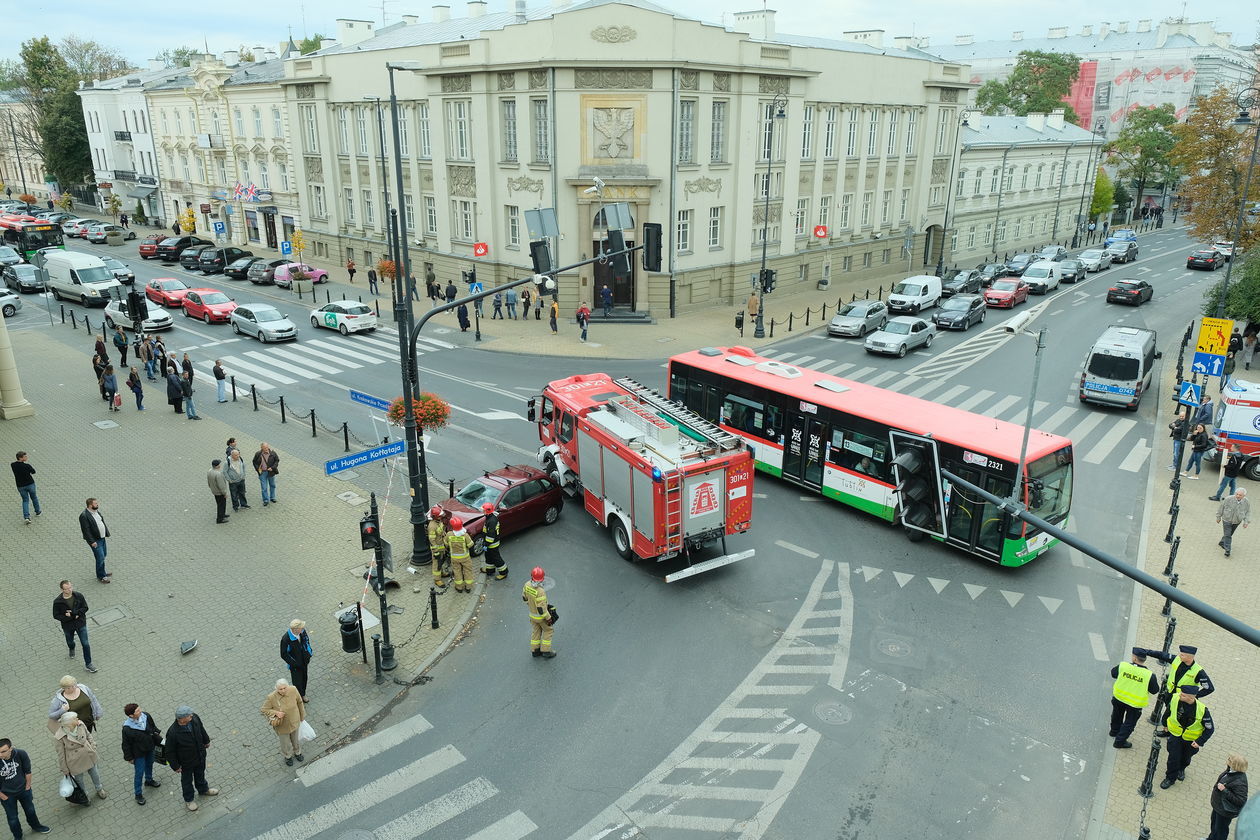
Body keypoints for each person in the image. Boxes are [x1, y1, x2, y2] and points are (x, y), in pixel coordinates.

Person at [164, 706, 218, 811]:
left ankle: (203, 789)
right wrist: (175, 766)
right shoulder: (173, 733)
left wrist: (206, 741)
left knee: (200, 774)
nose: (192, 716)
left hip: (200, 755)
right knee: (187, 781)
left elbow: (201, 729)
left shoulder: (195, 719)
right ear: (182, 719)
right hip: (186, 762)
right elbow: (169, 751)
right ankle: (189, 800)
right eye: (189, 715)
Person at [1161, 685, 1214, 789]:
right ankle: (1170, 778)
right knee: (1173, 758)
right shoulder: (1176, 698)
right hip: (1176, 735)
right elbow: (1168, 712)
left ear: (1191, 698)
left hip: (1191, 740)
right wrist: (1165, 724)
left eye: (1183, 695)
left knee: (1186, 758)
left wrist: (1199, 741)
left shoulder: (1202, 710)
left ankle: (1182, 768)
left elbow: (1210, 729)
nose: (1180, 695)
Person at [1109, 648, 1160, 748]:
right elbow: (1155, 690)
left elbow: (1113, 673)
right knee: (1129, 723)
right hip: (1135, 703)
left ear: (1134, 658)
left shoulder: (1123, 666)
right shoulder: (1149, 675)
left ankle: (1114, 732)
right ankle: (1119, 742)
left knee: (1117, 715)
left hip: (1119, 698)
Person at [0, 739, 53, 835]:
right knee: (12, 818)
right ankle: (18, 836)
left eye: (3, 751)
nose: (0, 754)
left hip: (23, 790)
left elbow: (27, 771)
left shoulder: (20, 754)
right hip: (7, 795)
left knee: (30, 810)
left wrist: (27, 786)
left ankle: (36, 826)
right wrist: (3, 796)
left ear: (10, 749)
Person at [1157, 645, 1214, 731]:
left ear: (1189, 657)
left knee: (1177, 715)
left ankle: (1171, 732)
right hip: (1171, 693)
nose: (1180, 655)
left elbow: (1209, 688)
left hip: (1182, 699)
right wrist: (1146, 652)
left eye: (1182, 655)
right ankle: (1167, 729)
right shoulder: (1177, 660)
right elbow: (1161, 655)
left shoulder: (1198, 671)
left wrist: (1194, 695)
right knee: (1170, 712)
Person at [51, 712, 105, 802]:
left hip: (88, 754)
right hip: (74, 761)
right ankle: (85, 795)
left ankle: (99, 789)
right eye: (75, 718)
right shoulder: (59, 737)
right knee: (79, 780)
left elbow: (88, 735)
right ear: (70, 723)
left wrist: (93, 746)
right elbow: (61, 755)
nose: (77, 719)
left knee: (95, 773)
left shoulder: (80, 724)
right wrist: (65, 769)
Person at [120, 703, 163, 805]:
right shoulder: (127, 728)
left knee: (150, 763)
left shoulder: (146, 716)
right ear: (131, 715)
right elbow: (125, 744)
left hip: (150, 747)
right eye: (137, 711)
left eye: (139, 709)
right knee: (139, 773)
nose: (140, 711)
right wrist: (129, 758)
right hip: (138, 753)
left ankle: (149, 780)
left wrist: (157, 733)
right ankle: (138, 794)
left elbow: (152, 726)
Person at [260, 678, 307, 766]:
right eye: (280, 689)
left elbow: (300, 702)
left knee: (295, 739)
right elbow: (263, 709)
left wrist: (302, 715)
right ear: (276, 689)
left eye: (285, 688)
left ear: (288, 686)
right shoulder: (271, 697)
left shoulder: (293, 689)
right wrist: (276, 713)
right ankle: (288, 756)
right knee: (285, 743)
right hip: (282, 725)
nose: (283, 690)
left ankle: (297, 752)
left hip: (294, 721)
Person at [53, 581, 96, 673]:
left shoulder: (78, 596)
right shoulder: (58, 602)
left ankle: (88, 664)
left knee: (85, 644)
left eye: (70, 587)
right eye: (67, 589)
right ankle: (71, 648)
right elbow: (56, 615)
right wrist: (67, 617)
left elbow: (85, 608)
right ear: (62, 589)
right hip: (68, 626)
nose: (70, 590)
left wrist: (76, 614)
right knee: (70, 641)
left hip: (80, 623)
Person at [1206, 754, 1249, 840]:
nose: (1228, 760)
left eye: (1230, 760)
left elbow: (1241, 801)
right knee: (1214, 825)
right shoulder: (1231, 771)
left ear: (1235, 765)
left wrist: (1224, 790)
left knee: (1221, 831)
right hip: (1219, 806)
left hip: (1225, 811)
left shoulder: (1240, 782)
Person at [523, 566, 555, 658]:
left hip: (532, 615)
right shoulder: (540, 591)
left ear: (531, 576)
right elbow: (542, 609)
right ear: (542, 578)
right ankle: (546, 651)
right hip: (541, 617)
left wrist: (531, 605)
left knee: (536, 631)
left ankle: (535, 651)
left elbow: (524, 598)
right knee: (548, 630)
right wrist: (549, 618)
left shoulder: (527, 585)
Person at [78, 497, 111, 583]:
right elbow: (86, 531)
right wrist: (92, 541)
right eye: (95, 504)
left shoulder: (96, 512)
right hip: (95, 541)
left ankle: (102, 572)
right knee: (100, 557)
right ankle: (101, 576)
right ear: (90, 505)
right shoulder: (84, 516)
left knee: (103, 555)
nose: (97, 505)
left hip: (102, 538)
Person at [279, 620, 312, 702]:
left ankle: (303, 694)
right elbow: (284, 654)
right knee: (297, 682)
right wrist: (294, 663)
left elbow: (307, 641)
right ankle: (298, 697)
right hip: (295, 666)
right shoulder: (286, 639)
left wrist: (309, 652)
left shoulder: (302, 632)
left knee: (304, 678)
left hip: (304, 661)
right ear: (295, 629)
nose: (303, 629)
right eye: (301, 628)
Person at [1217, 487, 1250, 557]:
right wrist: (1218, 517)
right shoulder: (1228, 499)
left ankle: (1222, 542)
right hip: (1226, 520)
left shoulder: (1246, 502)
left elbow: (1247, 512)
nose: (1238, 496)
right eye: (1237, 494)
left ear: (1244, 496)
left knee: (1229, 534)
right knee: (1228, 535)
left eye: (1240, 495)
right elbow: (1221, 507)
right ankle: (1227, 550)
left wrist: (1246, 522)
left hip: (1237, 521)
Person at [479, 502, 507, 580]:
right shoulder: (490, 517)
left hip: (492, 544)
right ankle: (490, 570)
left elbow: (491, 536)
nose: (482, 512)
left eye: (483, 510)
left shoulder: (492, 521)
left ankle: (504, 572)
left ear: (487, 511)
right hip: (489, 544)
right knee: (488, 557)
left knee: (496, 558)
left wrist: (486, 544)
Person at [424, 505, 449, 591]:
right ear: (435, 517)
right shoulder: (432, 526)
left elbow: (442, 532)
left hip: (442, 547)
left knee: (441, 561)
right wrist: (436, 552)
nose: (441, 516)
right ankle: (437, 579)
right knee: (436, 564)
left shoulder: (439, 522)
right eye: (439, 515)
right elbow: (432, 540)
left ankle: (441, 573)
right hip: (437, 549)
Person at [11, 451, 40, 524]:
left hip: (20, 486)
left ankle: (26, 517)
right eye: (25, 456)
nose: (26, 457)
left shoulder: (13, 465)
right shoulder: (27, 466)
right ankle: (37, 511)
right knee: (34, 497)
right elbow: (33, 472)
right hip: (30, 484)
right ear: (21, 458)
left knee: (25, 500)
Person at [446, 517, 474, 593]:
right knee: (467, 571)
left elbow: (446, 544)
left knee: (457, 571)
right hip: (465, 557)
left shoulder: (449, 534)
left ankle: (459, 588)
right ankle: (468, 588)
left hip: (454, 558)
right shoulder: (465, 535)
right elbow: (471, 545)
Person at [207, 460, 229, 524]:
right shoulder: (218, 474)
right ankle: (220, 519)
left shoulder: (209, 471)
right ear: (217, 466)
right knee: (221, 505)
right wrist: (224, 493)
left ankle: (223, 514)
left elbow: (208, 481)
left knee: (219, 504)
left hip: (214, 491)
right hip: (219, 493)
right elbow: (221, 485)